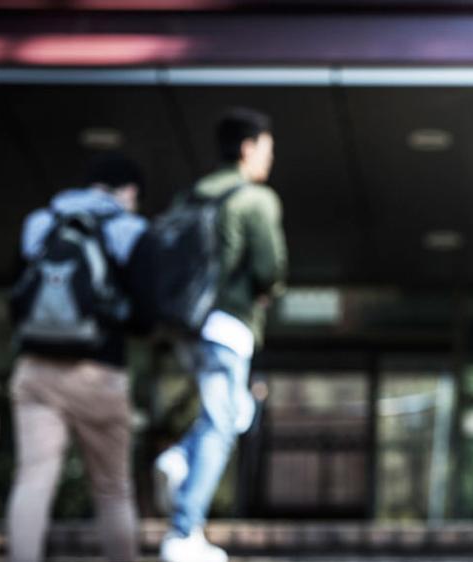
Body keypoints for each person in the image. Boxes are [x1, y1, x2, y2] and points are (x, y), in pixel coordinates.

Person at [154, 106, 287, 562]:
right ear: (248, 148)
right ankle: (183, 533)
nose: (269, 159)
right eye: (267, 149)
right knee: (222, 423)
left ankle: (179, 459)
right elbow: (270, 269)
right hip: (228, 326)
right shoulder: (255, 199)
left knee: (233, 412)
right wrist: (265, 291)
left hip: (186, 325)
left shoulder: (190, 197)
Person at [6, 152, 149, 562]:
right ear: (131, 191)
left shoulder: (40, 223)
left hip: (35, 369)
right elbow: (147, 312)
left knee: (33, 479)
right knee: (112, 489)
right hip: (99, 373)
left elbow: (16, 297)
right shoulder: (129, 229)